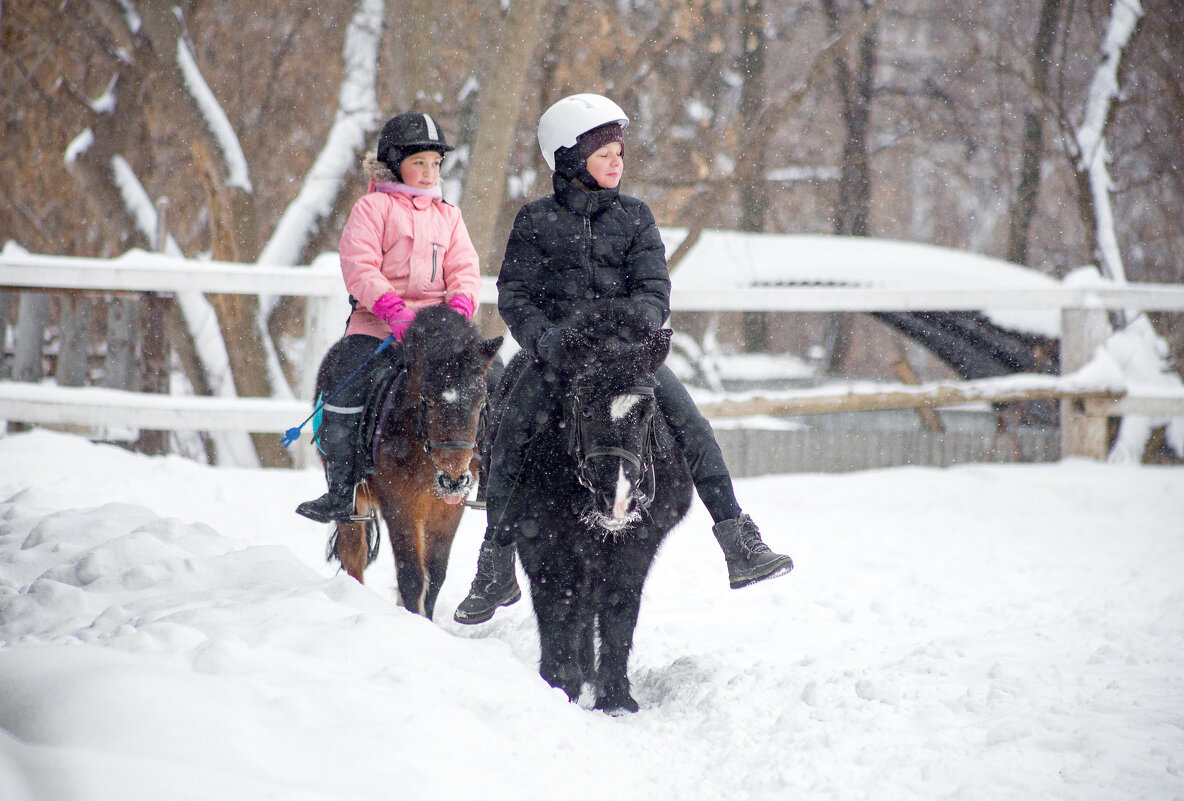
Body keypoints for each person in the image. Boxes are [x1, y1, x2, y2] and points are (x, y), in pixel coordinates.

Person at [453, 93, 793, 624]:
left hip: (626, 357)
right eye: (604, 153)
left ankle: (737, 539)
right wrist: (547, 342)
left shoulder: (635, 217)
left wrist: (627, 331)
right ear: (570, 160)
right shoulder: (535, 220)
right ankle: (494, 565)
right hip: (558, 359)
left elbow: (654, 290)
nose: (617, 162)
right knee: (509, 435)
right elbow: (516, 295)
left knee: (692, 425)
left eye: (619, 153)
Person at [296, 111, 481, 523]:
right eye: (419, 163)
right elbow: (359, 265)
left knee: (492, 376)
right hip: (379, 324)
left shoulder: (449, 215)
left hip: (438, 332)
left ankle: (491, 480)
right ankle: (342, 491)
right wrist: (392, 310)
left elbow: (465, 268)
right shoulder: (372, 208)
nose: (429, 172)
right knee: (342, 380)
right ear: (395, 163)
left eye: (435, 164)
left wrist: (459, 310)